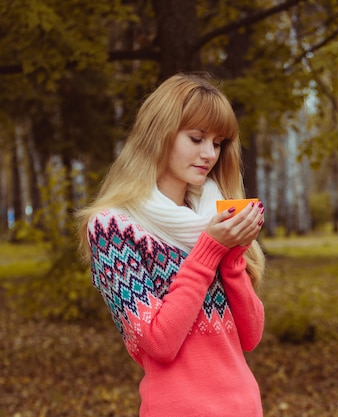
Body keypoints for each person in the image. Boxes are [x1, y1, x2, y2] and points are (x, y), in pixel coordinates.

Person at [76, 72, 266, 417]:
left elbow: (250, 337)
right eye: (196, 138)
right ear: (159, 135)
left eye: (218, 142)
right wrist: (210, 250)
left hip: (245, 406)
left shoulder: (214, 215)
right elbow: (159, 342)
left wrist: (234, 257)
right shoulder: (113, 228)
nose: (209, 153)